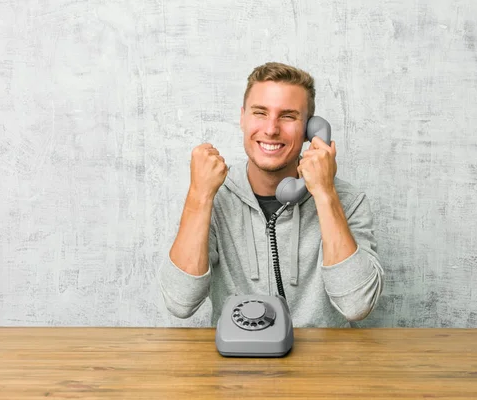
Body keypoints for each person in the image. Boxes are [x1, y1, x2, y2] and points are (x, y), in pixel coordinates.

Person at [159, 61, 385, 327]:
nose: (271, 129)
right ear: (242, 118)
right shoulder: (212, 196)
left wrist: (324, 193)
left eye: (288, 116)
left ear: (310, 130)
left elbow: (357, 305)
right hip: (236, 361)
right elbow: (180, 301)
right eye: (260, 113)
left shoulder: (347, 201)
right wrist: (199, 196)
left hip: (321, 366)